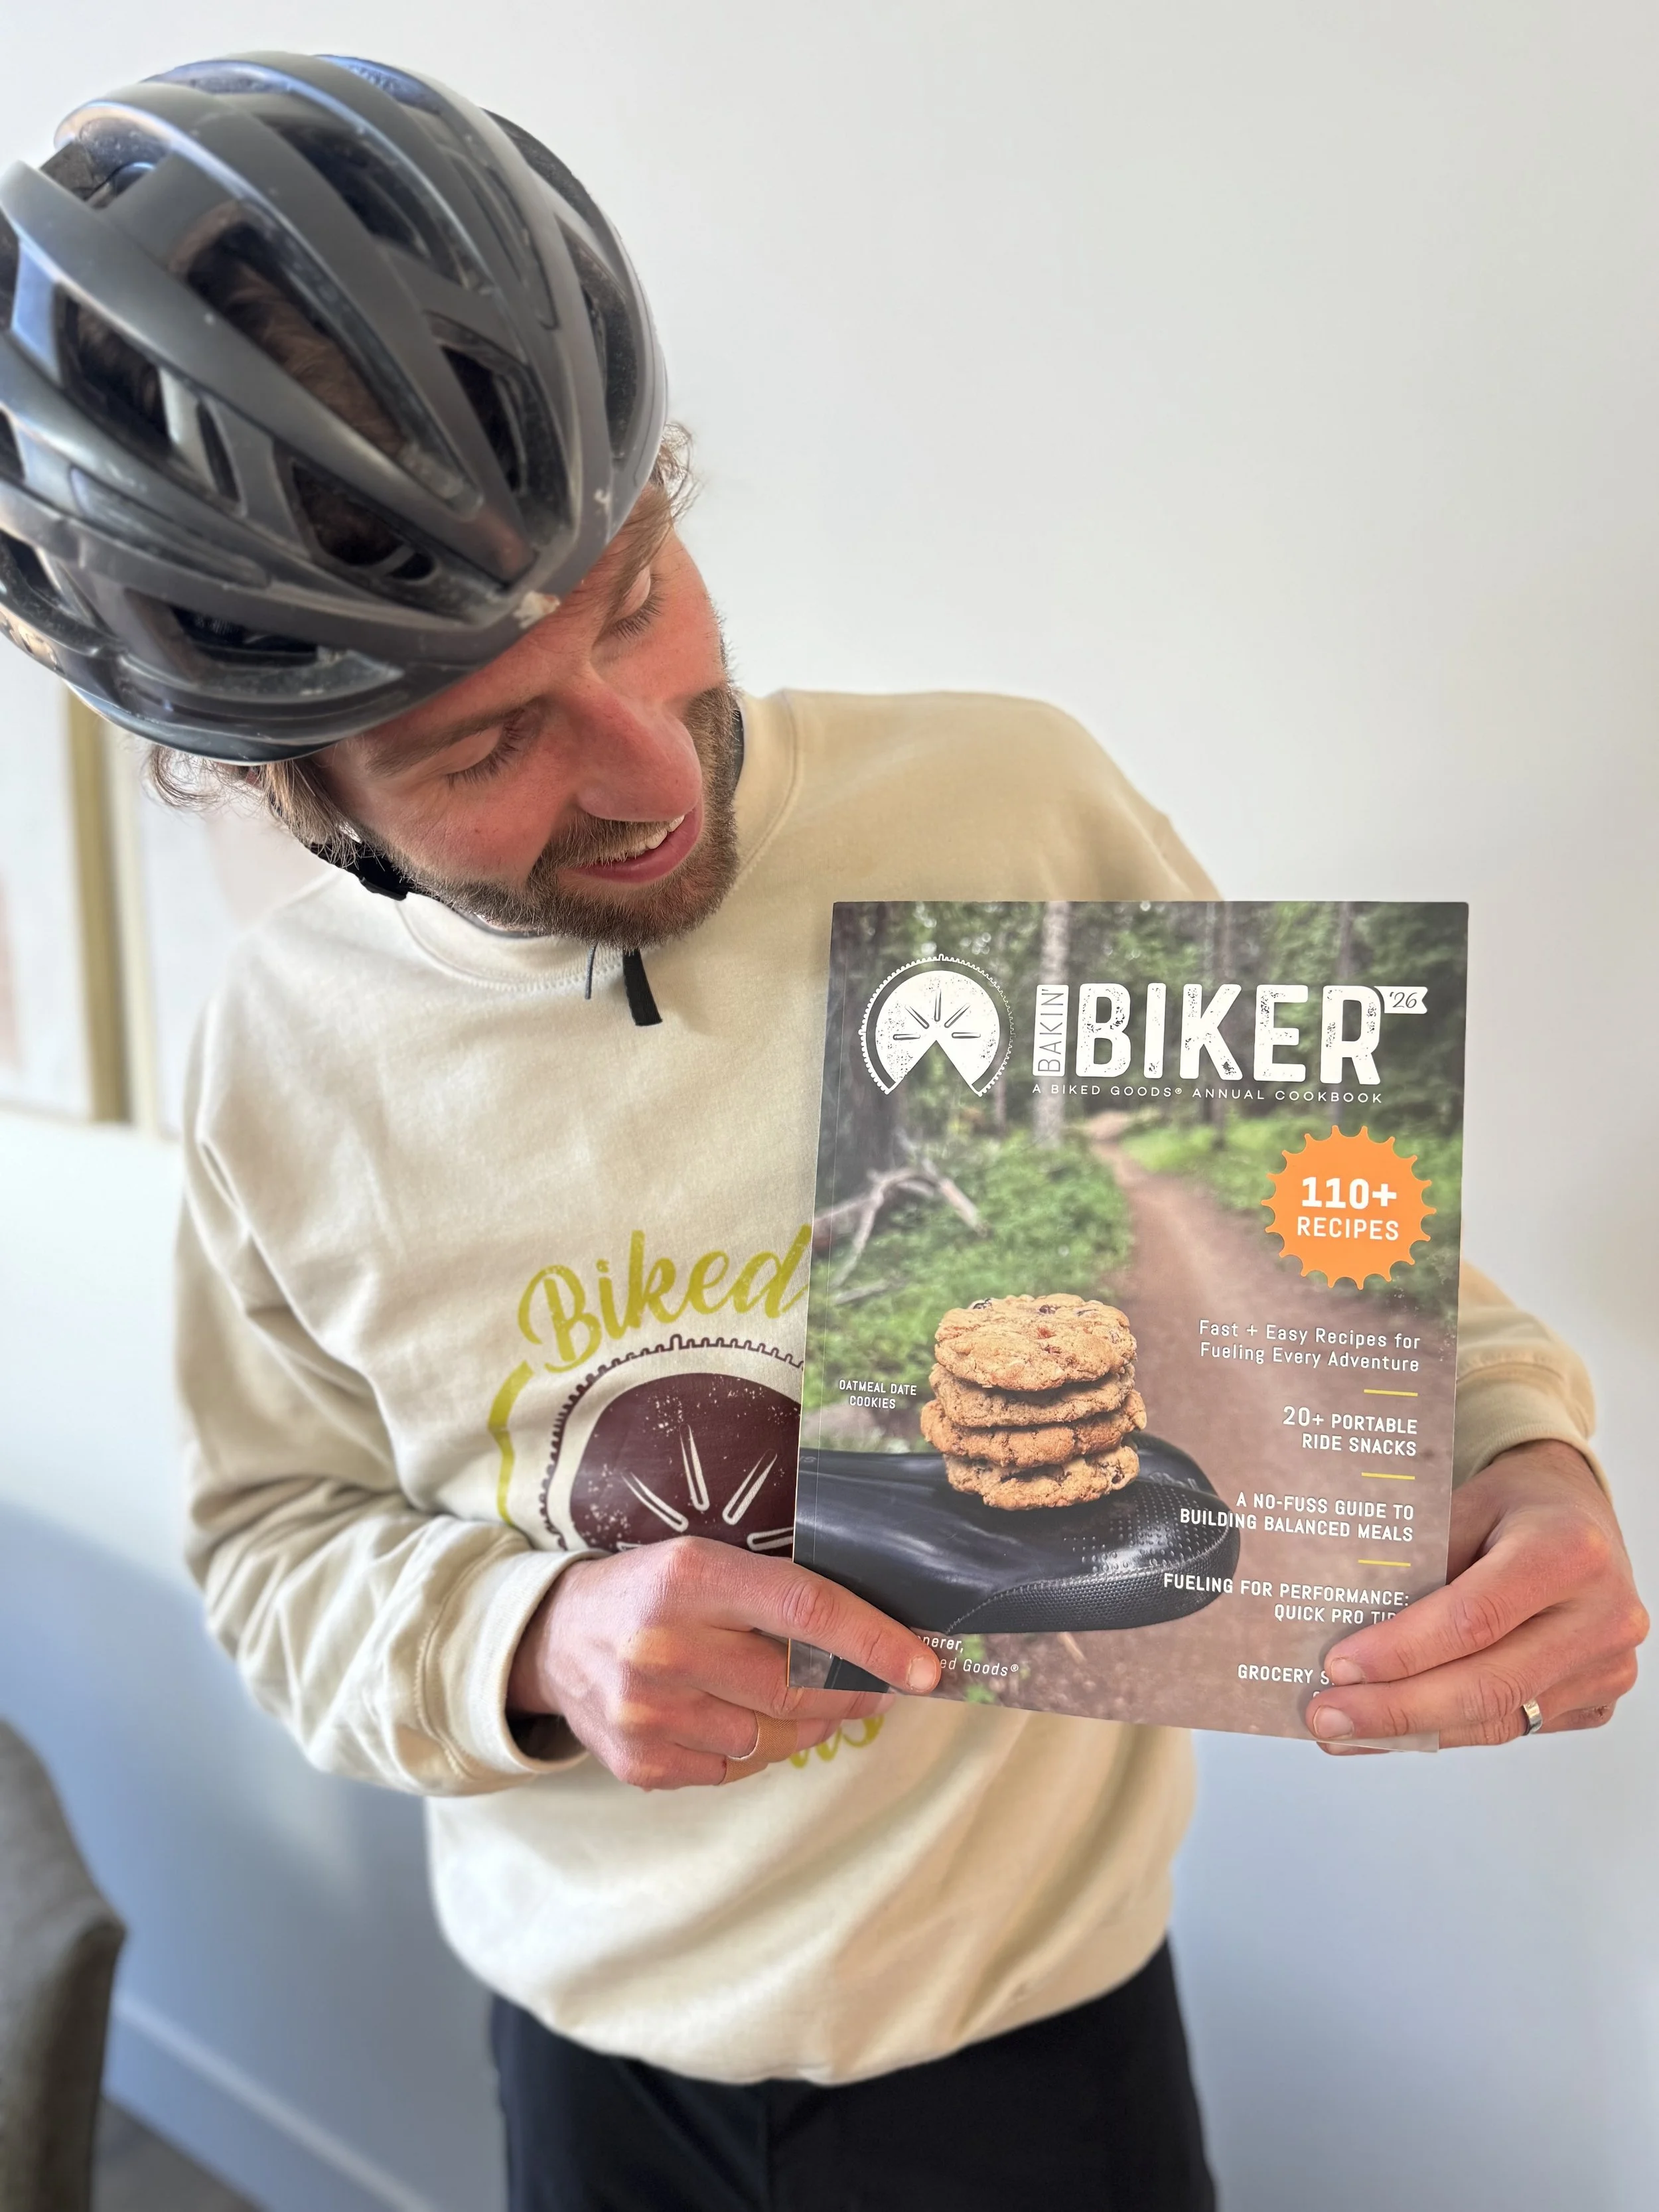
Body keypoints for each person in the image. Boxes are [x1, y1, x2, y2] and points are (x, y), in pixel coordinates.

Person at [0, 52, 1644, 2212]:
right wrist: (530, 1643)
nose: (645, 762)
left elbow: (1305, 1247)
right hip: (593, 2059)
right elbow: (274, 1547)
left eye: (638, 587)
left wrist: (1519, 1452)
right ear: (288, 785)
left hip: (1032, 2038)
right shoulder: (277, 1067)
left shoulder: (1006, 812)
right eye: (488, 737)